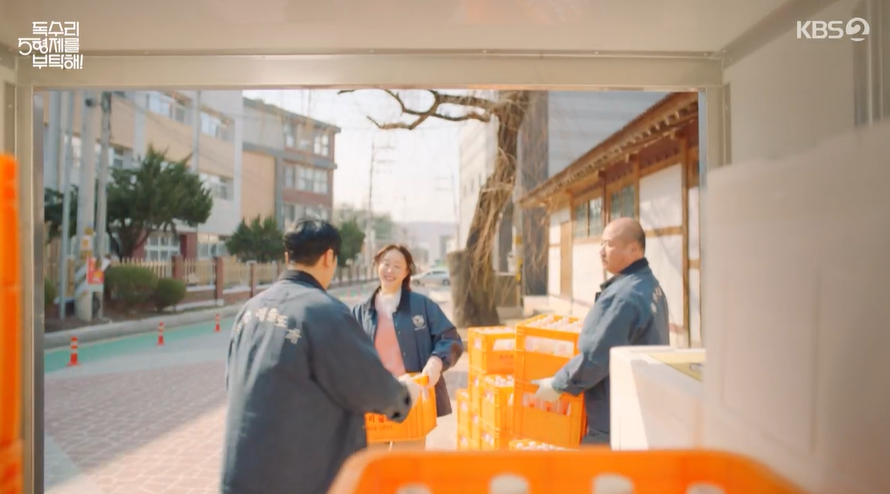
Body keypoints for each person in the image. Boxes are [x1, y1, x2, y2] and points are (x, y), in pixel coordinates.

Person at [221, 220, 423, 494]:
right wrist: (406, 394)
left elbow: (233, 382)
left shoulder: (250, 310)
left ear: (287, 256)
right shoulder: (325, 313)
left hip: (240, 476)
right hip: (297, 479)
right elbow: (372, 387)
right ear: (329, 257)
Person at [532, 217, 669, 446]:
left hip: (614, 414)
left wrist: (559, 382)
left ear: (633, 249)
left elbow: (596, 357)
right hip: (640, 404)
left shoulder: (625, 296)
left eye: (609, 244)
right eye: (601, 244)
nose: (601, 251)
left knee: (595, 466)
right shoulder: (648, 284)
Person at [352, 244, 464, 450]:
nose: (390, 270)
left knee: (407, 464)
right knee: (375, 463)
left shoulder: (422, 306)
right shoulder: (360, 312)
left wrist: (436, 362)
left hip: (412, 398)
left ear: (406, 273)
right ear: (377, 265)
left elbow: (450, 338)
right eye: (386, 263)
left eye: (397, 266)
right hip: (373, 402)